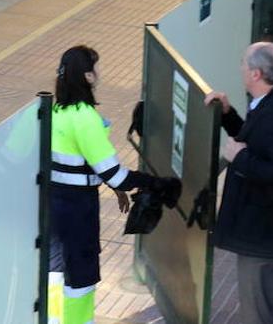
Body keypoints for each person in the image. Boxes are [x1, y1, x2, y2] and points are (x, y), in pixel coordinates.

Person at [50, 46, 179, 324]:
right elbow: (115, 174)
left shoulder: (52, 110)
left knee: (54, 273)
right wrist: (157, 184)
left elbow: (70, 164)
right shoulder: (84, 118)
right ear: (87, 76)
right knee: (81, 278)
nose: (99, 73)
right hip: (78, 210)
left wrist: (113, 186)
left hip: (51, 206)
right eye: (95, 68)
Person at [205, 42, 273, 324]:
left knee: (257, 315)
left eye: (244, 63)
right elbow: (258, 142)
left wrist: (239, 159)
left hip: (265, 240)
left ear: (256, 74)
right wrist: (227, 114)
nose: (241, 68)